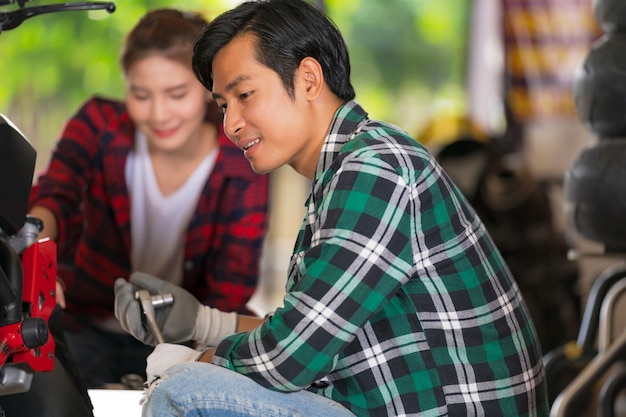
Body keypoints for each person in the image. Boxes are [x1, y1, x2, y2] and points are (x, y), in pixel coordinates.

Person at [114, 0, 549, 415]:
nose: (230, 124)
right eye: (224, 105)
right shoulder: (347, 170)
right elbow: (311, 331)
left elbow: (289, 358)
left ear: (307, 78)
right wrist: (203, 324)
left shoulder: (376, 169)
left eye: (244, 95)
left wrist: (194, 361)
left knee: (185, 393)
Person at [28, 8, 269, 388]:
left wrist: (195, 356)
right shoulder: (97, 125)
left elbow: (230, 289)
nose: (159, 114)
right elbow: (56, 194)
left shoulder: (240, 163)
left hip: (181, 340)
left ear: (209, 90)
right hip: (84, 326)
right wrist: (36, 250)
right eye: (141, 94)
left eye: (176, 94)